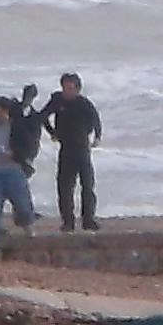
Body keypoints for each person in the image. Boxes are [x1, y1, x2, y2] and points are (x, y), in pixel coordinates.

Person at [0, 90, 42, 254]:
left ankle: (27, 224)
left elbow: (28, 146)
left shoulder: (17, 127)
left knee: (22, 204)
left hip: (14, 170)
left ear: (7, 111)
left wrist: (15, 154)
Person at [41, 72, 105, 234]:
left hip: (82, 147)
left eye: (70, 88)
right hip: (66, 148)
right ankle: (68, 222)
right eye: (64, 88)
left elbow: (96, 120)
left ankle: (88, 220)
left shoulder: (83, 103)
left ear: (77, 89)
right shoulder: (57, 101)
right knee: (64, 187)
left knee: (87, 185)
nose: (67, 91)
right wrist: (52, 132)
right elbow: (43, 116)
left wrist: (97, 137)